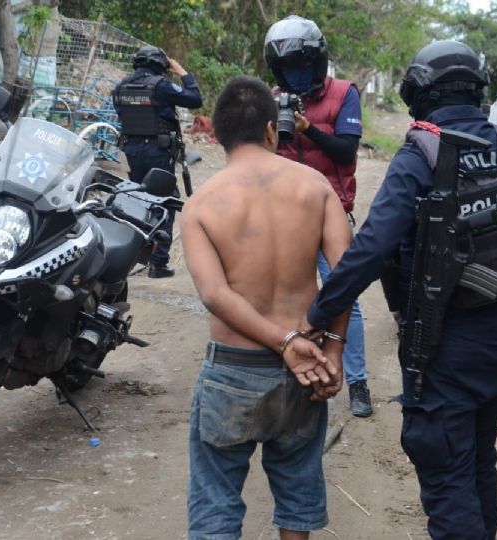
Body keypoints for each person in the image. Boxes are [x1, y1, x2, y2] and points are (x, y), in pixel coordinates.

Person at [304, 40, 497, 540]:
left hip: (442, 349)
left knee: (447, 474)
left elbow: (371, 249)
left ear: (419, 92)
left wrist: (319, 313)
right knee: (478, 460)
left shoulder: (421, 155)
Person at [182, 76, 351, 540]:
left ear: (216, 135)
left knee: (216, 501)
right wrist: (331, 351)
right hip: (307, 370)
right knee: (297, 492)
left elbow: (216, 295)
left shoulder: (200, 206)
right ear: (274, 131)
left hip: (233, 370)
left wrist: (283, 343)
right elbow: (344, 275)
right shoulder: (315, 187)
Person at [264, 15, 373, 417]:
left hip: (332, 212)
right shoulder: (273, 97)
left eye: (302, 65)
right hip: (284, 215)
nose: (295, 74)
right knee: (285, 293)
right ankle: (294, 369)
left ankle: (358, 382)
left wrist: (308, 127)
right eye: (288, 68)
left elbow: (346, 152)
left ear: (318, 62)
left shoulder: (344, 93)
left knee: (344, 296)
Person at [112, 45, 202, 278]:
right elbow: (195, 99)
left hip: (131, 150)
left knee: (139, 199)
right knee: (165, 200)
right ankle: (158, 262)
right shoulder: (160, 86)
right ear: (160, 66)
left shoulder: (121, 86)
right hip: (157, 150)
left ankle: (133, 254)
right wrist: (182, 72)